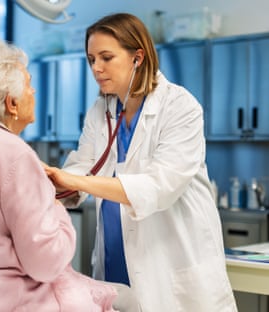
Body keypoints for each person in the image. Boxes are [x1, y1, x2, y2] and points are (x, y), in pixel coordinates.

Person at [0, 38, 138, 312]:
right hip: (0, 299)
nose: (34, 91)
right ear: (12, 104)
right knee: (127, 299)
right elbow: (47, 264)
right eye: (29, 84)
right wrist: (55, 209)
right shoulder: (13, 153)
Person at [44, 13, 238, 312]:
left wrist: (73, 180)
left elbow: (159, 186)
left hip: (170, 267)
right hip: (115, 261)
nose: (96, 68)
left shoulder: (179, 106)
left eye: (107, 57)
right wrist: (50, 184)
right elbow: (82, 166)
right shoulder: (101, 111)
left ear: (138, 57)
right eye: (91, 59)